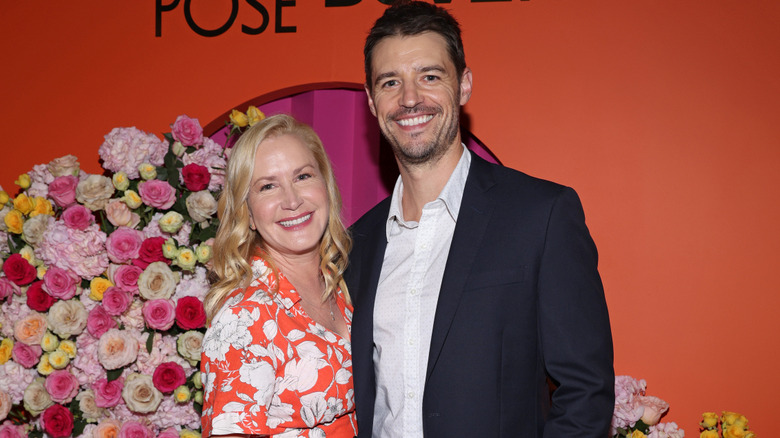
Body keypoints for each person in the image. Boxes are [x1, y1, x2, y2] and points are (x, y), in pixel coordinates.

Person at [345, 2, 615, 437]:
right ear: (372, 102)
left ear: (464, 85)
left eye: (430, 77)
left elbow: (586, 393)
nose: (410, 98)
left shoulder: (541, 215)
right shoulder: (357, 243)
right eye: (390, 82)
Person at [200, 114, 357, 437]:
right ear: (248, 213)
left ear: (325, 186)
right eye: (268, 186)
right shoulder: (244, 317)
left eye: (303, 176)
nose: (292, 200)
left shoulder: (343, 284)